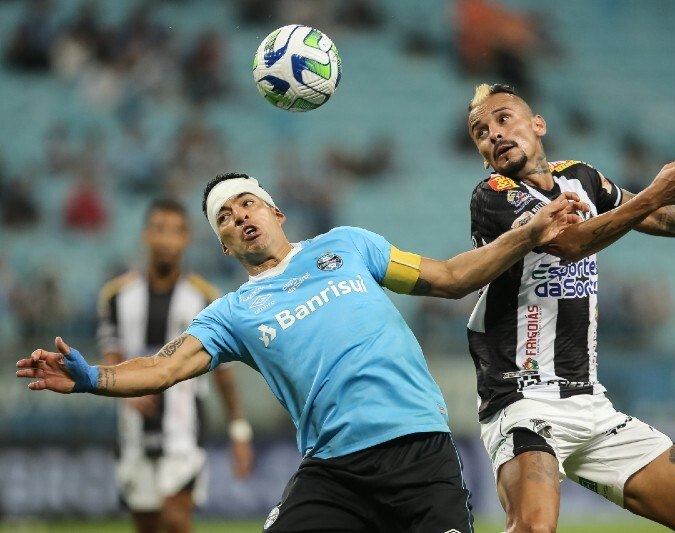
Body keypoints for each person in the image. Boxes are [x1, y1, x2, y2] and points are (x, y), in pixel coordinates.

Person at [16, 172, 589, 532]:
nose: (239, 215)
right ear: (222, 243)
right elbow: (166, 365)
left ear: (275, 213)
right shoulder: (233, 312)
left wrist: (525, 235)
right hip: (335, 470)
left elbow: (448, 277)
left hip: (420, 454)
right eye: (224, 216)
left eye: (247, 204)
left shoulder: (348, 245)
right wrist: (95, 378)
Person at [465, 83, 675, 533]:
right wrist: (656, 193)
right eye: (480, 131)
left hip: (591, 405)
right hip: (522, 401)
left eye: (503, 119)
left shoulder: (581, 176)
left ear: (538, 125)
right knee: (533, 527)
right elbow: (570, 244)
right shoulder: (493, 196)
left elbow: (638, 211)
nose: (493, 133)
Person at [97, 198, 253, 533]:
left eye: (176, 232)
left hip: (184, 431)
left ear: (187, 239)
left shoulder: (205, 298)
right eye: (159, 229)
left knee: (175, 520)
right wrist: (126, 392)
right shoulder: (115, 296)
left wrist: (238, 430)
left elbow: (224, 375)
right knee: (149, 526)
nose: (167, 239)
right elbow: (111, 355)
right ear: (145, 236)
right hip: (133, 432)